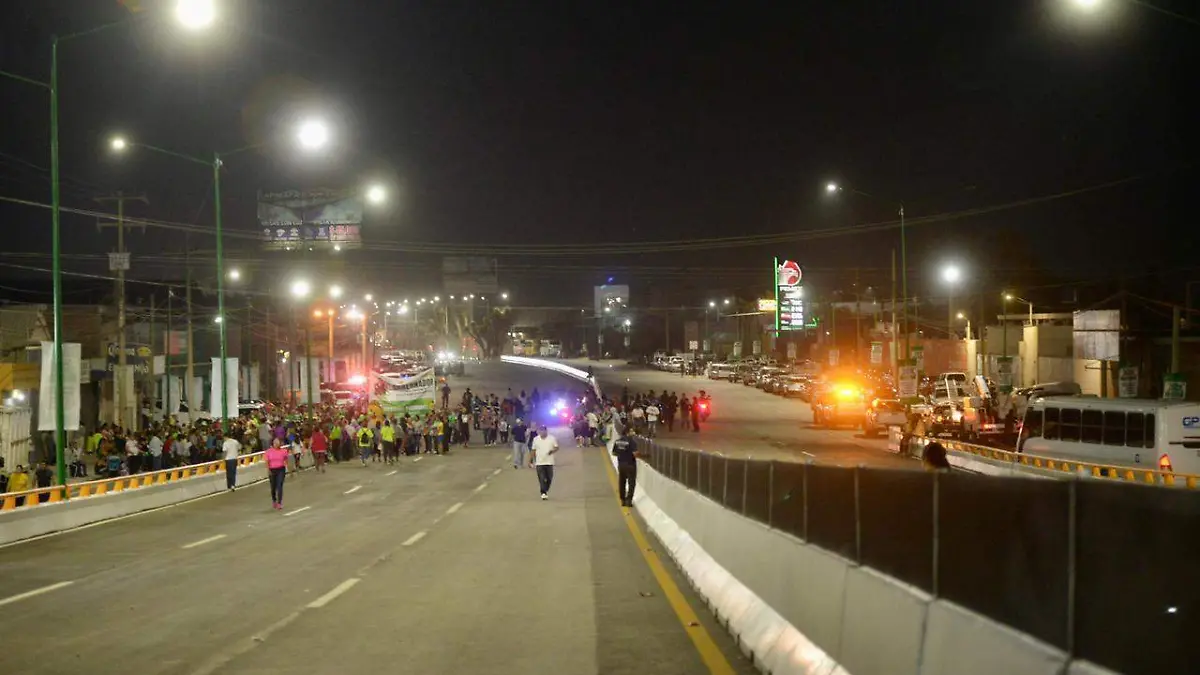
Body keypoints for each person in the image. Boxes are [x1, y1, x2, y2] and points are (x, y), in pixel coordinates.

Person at [529, 425, 559, 500]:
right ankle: (543, 492)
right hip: (539, 462)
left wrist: (552, 451)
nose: (542, 432)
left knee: (549, 478)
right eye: (540, 431)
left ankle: (545, 489)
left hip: (549, 462)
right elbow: (533, 450)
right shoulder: (536, 439)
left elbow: (556, 447)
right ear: (539, 431)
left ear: (546, 431)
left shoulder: (552, 438)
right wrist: (530, 460)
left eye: (543, 430)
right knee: (541, 478)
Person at [611, 430, 640, 507]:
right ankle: (629, 500)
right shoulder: (631, 441)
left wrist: (622, 454)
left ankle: (622, 500)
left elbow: (614, 453)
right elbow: (635, 454)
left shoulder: (617, 441)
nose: (633, 433)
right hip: (630, 465)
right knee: (631, 483)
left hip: (621, 465)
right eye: (632, 431)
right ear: (628, 432)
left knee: (622, 482)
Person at [265, 438, 290, 510]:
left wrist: (288, 467)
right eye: (275, 443)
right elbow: (267, 462)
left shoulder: (283, 451)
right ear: (273, 444)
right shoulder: (268, 452)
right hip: (272, 470)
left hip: (281, 469)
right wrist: (268, 470)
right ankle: (274, 500)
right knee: (273, 487)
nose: (277, 444)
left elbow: (286, 459)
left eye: (278, 443)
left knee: (280, 486)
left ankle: (279, 502)